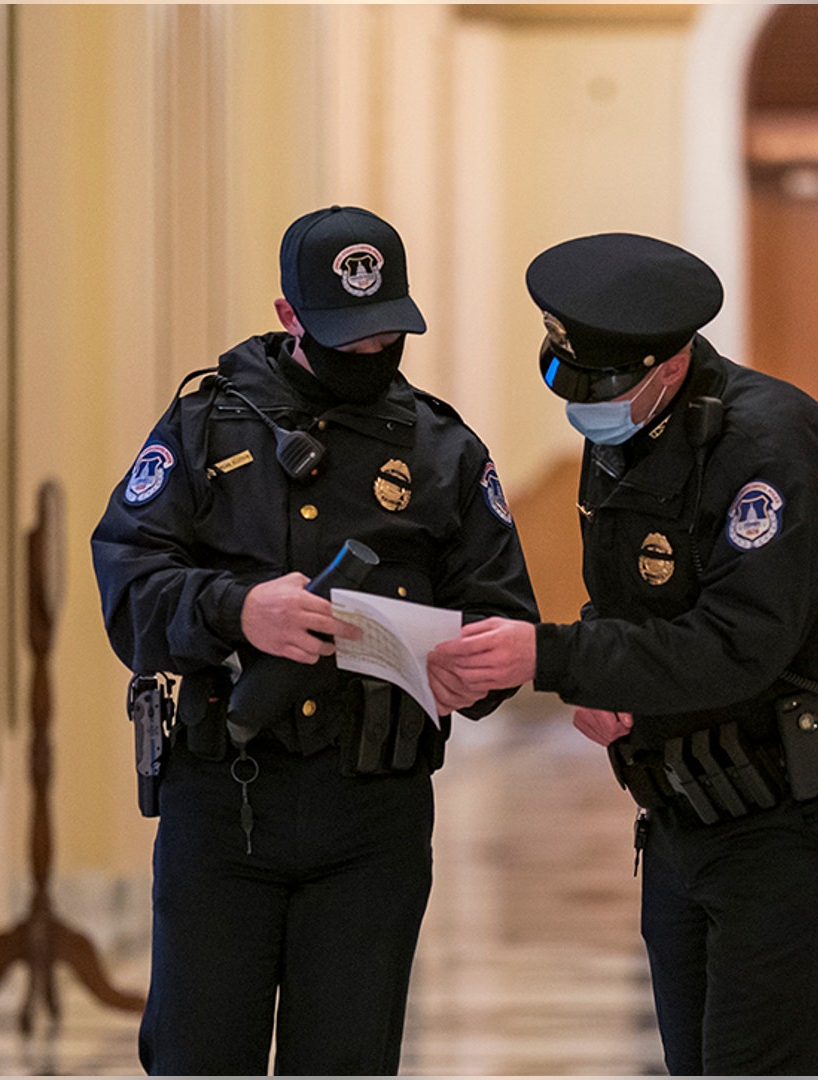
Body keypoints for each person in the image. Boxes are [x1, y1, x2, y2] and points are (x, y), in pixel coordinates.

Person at [91, 205, 539, 1075]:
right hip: (224, 800)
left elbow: (502, 618)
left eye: (385, 336)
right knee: (196, 1054)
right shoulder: (204, 427)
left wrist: (468, 669)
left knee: (347, 1059)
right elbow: (129, 588)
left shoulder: (445, 451)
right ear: (289, 317)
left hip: (372, 812)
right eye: (345, 337)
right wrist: (235, 608)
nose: (369, 355)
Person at [428, 233, 818, 1075]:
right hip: (679, 811)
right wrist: (609, 684)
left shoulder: (773, 448)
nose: (581, 404)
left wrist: (553, 657)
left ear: (671, 365)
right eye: (563, 376)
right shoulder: (628, 434)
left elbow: (737, 644)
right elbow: (627, 601)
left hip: (784, 823)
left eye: (600, 385)